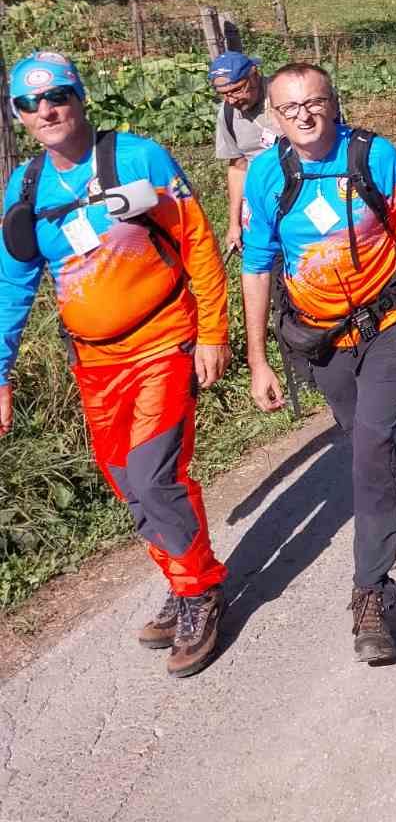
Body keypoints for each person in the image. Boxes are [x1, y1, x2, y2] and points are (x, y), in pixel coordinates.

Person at [0, 52, 231, 678]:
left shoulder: (137, 157)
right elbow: (13, 284)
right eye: (29, 103)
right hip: (94, 362)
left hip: (162, 340)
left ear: (79, 97)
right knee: (128, 484)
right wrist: (2, 370)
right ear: (18, 115)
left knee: (156, 476)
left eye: (57, 98)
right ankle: (184, 581)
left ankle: (199, 594)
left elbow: (198, 242)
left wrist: (213, 330)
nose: (45, 111)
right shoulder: (24, 187)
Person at [242, 62, 396, 664]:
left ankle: (371, 592)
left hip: (387, 327)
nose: (304, 117)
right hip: (318, 340)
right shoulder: (267, 176)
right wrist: (257, 357)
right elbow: (257, 268)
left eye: (314, 103)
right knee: (360, 435)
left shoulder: (375, 157)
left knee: (368, 452)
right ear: (274, 117)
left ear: (334, 102)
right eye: (289, 109)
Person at [209, 51, 277, 254]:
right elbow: (239, 167)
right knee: (261, 265)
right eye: (224, 94)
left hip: (302, 193)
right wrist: (234, 224)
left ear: (254, 75)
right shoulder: (227, 113)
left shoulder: (283, 96)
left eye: (237, 90)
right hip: (260, 201)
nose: (231, 100)